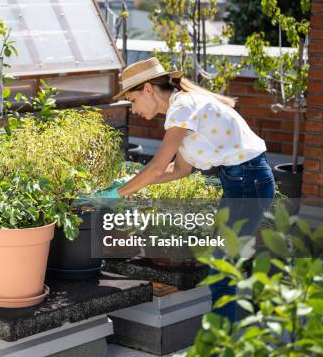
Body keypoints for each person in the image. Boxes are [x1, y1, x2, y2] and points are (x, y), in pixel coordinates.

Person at [108, 57, 275, 323]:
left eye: (133, 100)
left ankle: (223, 348)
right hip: (242, 183)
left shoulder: (183, 108)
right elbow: (178, 170)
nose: (134, 109)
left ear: (149, 89)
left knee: (221, 268)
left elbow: (157, 165)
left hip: (248, 182)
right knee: (223, 265)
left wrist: (117, 195)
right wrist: (130, 183)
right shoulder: (183, 112)